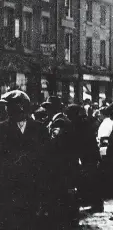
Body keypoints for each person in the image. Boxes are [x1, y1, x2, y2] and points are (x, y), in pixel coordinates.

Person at [0, 90, 50, 229]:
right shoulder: (2, 129)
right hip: (9, 187)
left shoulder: (40, 129)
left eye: (9, 106)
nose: (6, 109)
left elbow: (47, 159)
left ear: (21, 107)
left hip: (34, 186)